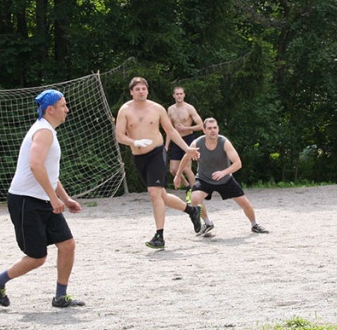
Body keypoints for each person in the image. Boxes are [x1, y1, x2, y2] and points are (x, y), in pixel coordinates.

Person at [0, 90, 86, 309]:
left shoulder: (49, 131)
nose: (67, 109)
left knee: (67, 245)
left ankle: (60, 296)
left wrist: (65, 199)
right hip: (25, 201)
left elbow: (49, 173)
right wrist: (53, 198)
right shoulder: (43, 131)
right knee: (37, 257)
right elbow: (35, 165)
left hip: (42, 200)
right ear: (51, 109)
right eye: (63, 106)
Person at [115, 77, 202, 249]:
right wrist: (134, 142)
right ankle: (192, 210)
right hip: (139, 156)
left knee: (154, 194)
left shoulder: (157, 109)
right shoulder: (125, 110)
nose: (141, 91)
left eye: (144, 88)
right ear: (131, 92)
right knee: (161, 196)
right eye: (137, 89)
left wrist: (187, 149)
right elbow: (119, 136)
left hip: (156, 153)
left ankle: (159, 236)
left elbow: (171, 130)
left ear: (147, 90)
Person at [177, 117, 269, 236]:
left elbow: (238, 163)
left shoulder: (224, 142)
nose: (213, 130)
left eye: (215, 127)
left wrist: (223, 172)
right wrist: (178, 175)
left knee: (245, 203)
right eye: (209, 128)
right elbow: (186, 157)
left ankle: (254, 224)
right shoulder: (197, 143)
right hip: (204, 178)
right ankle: (208, 223)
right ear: (204, 130)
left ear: (218, 129)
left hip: (225, 179)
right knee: (194, 199)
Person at [165, 85, 211, 230]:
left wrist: (186, 129)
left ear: (184, 95)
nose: (179, 96)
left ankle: (194, 189)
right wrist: (167, 145)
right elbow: (168, 128)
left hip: (188, 139)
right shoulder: (170, 110)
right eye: (176, 94)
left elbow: (200, 125)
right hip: (176, 141)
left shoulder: (189, 108)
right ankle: (187, 187)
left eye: (181, 94)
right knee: (173, 169)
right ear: (173, 96)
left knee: (186, 168)